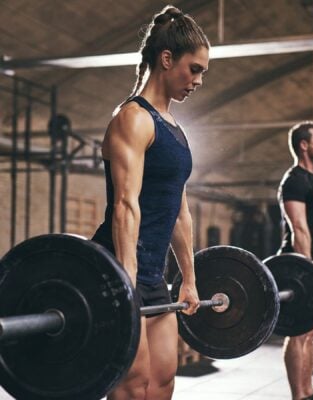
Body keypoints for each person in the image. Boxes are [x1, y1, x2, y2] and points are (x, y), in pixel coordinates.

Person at [92, 5, 210, 400]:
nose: (198, 80)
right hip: (118, 267)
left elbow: (180, 211)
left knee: (162, 380)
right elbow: (126, 205)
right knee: (132, 385)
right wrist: (126, 282)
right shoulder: (133, 118)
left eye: (202, 73)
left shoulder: (174, 128)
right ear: (166, 59)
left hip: (154, 275)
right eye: (194, 68)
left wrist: (189, 280)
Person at [277, 121, 313, 400]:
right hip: (298, 268)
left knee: (310, 333)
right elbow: (299, 228)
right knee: (298, 333)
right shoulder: (295, 179)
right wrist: (309, 270)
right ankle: (298, 395)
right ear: (304, 145)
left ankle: (309, 391)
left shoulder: (312, 179)